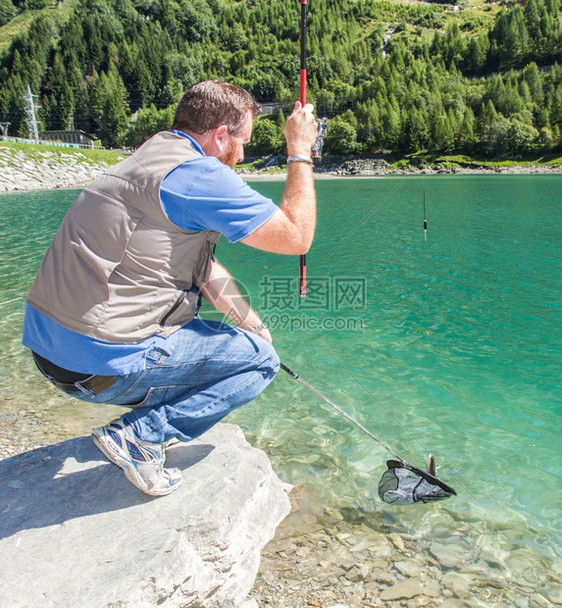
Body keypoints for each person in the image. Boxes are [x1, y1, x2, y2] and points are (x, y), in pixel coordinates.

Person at [22, 81, 318, 496]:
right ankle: (140, 436)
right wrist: (299, 149)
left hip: (53, 354)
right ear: (220, 136)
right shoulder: (198, 175)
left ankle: (150, 423)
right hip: (101, 365)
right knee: (259, 362)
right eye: (243, 142)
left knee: (247, 344)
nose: (243, 154)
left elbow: (202, 265)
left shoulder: (149, 156)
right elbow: (296, 238)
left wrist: (248, 321)